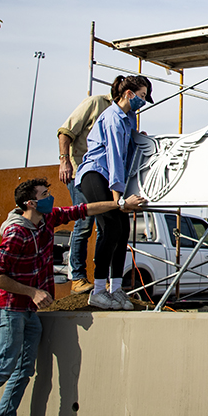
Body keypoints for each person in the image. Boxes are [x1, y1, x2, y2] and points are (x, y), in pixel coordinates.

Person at [0, 178, 145, 416]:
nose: (50, 197)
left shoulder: (47, 220)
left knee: (24, 372)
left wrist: (120, 204)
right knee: (3, 367)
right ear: (31, 203)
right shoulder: (17, 233)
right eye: (45, 194)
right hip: (10, 309)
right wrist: (33, 292)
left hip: (31, 312)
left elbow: (83, 210)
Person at [57, 78, 152, 295]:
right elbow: (115, 157)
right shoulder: (111, 116)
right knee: (109, 227)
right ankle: (97, 288)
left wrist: (138, 138)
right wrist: (119, 200)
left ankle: (116, 287)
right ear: (129, 93)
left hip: (110, 176)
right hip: (95, 173)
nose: (144, 101)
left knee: (122, 230)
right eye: (142, 95)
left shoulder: (129, 118)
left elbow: (127, 148)